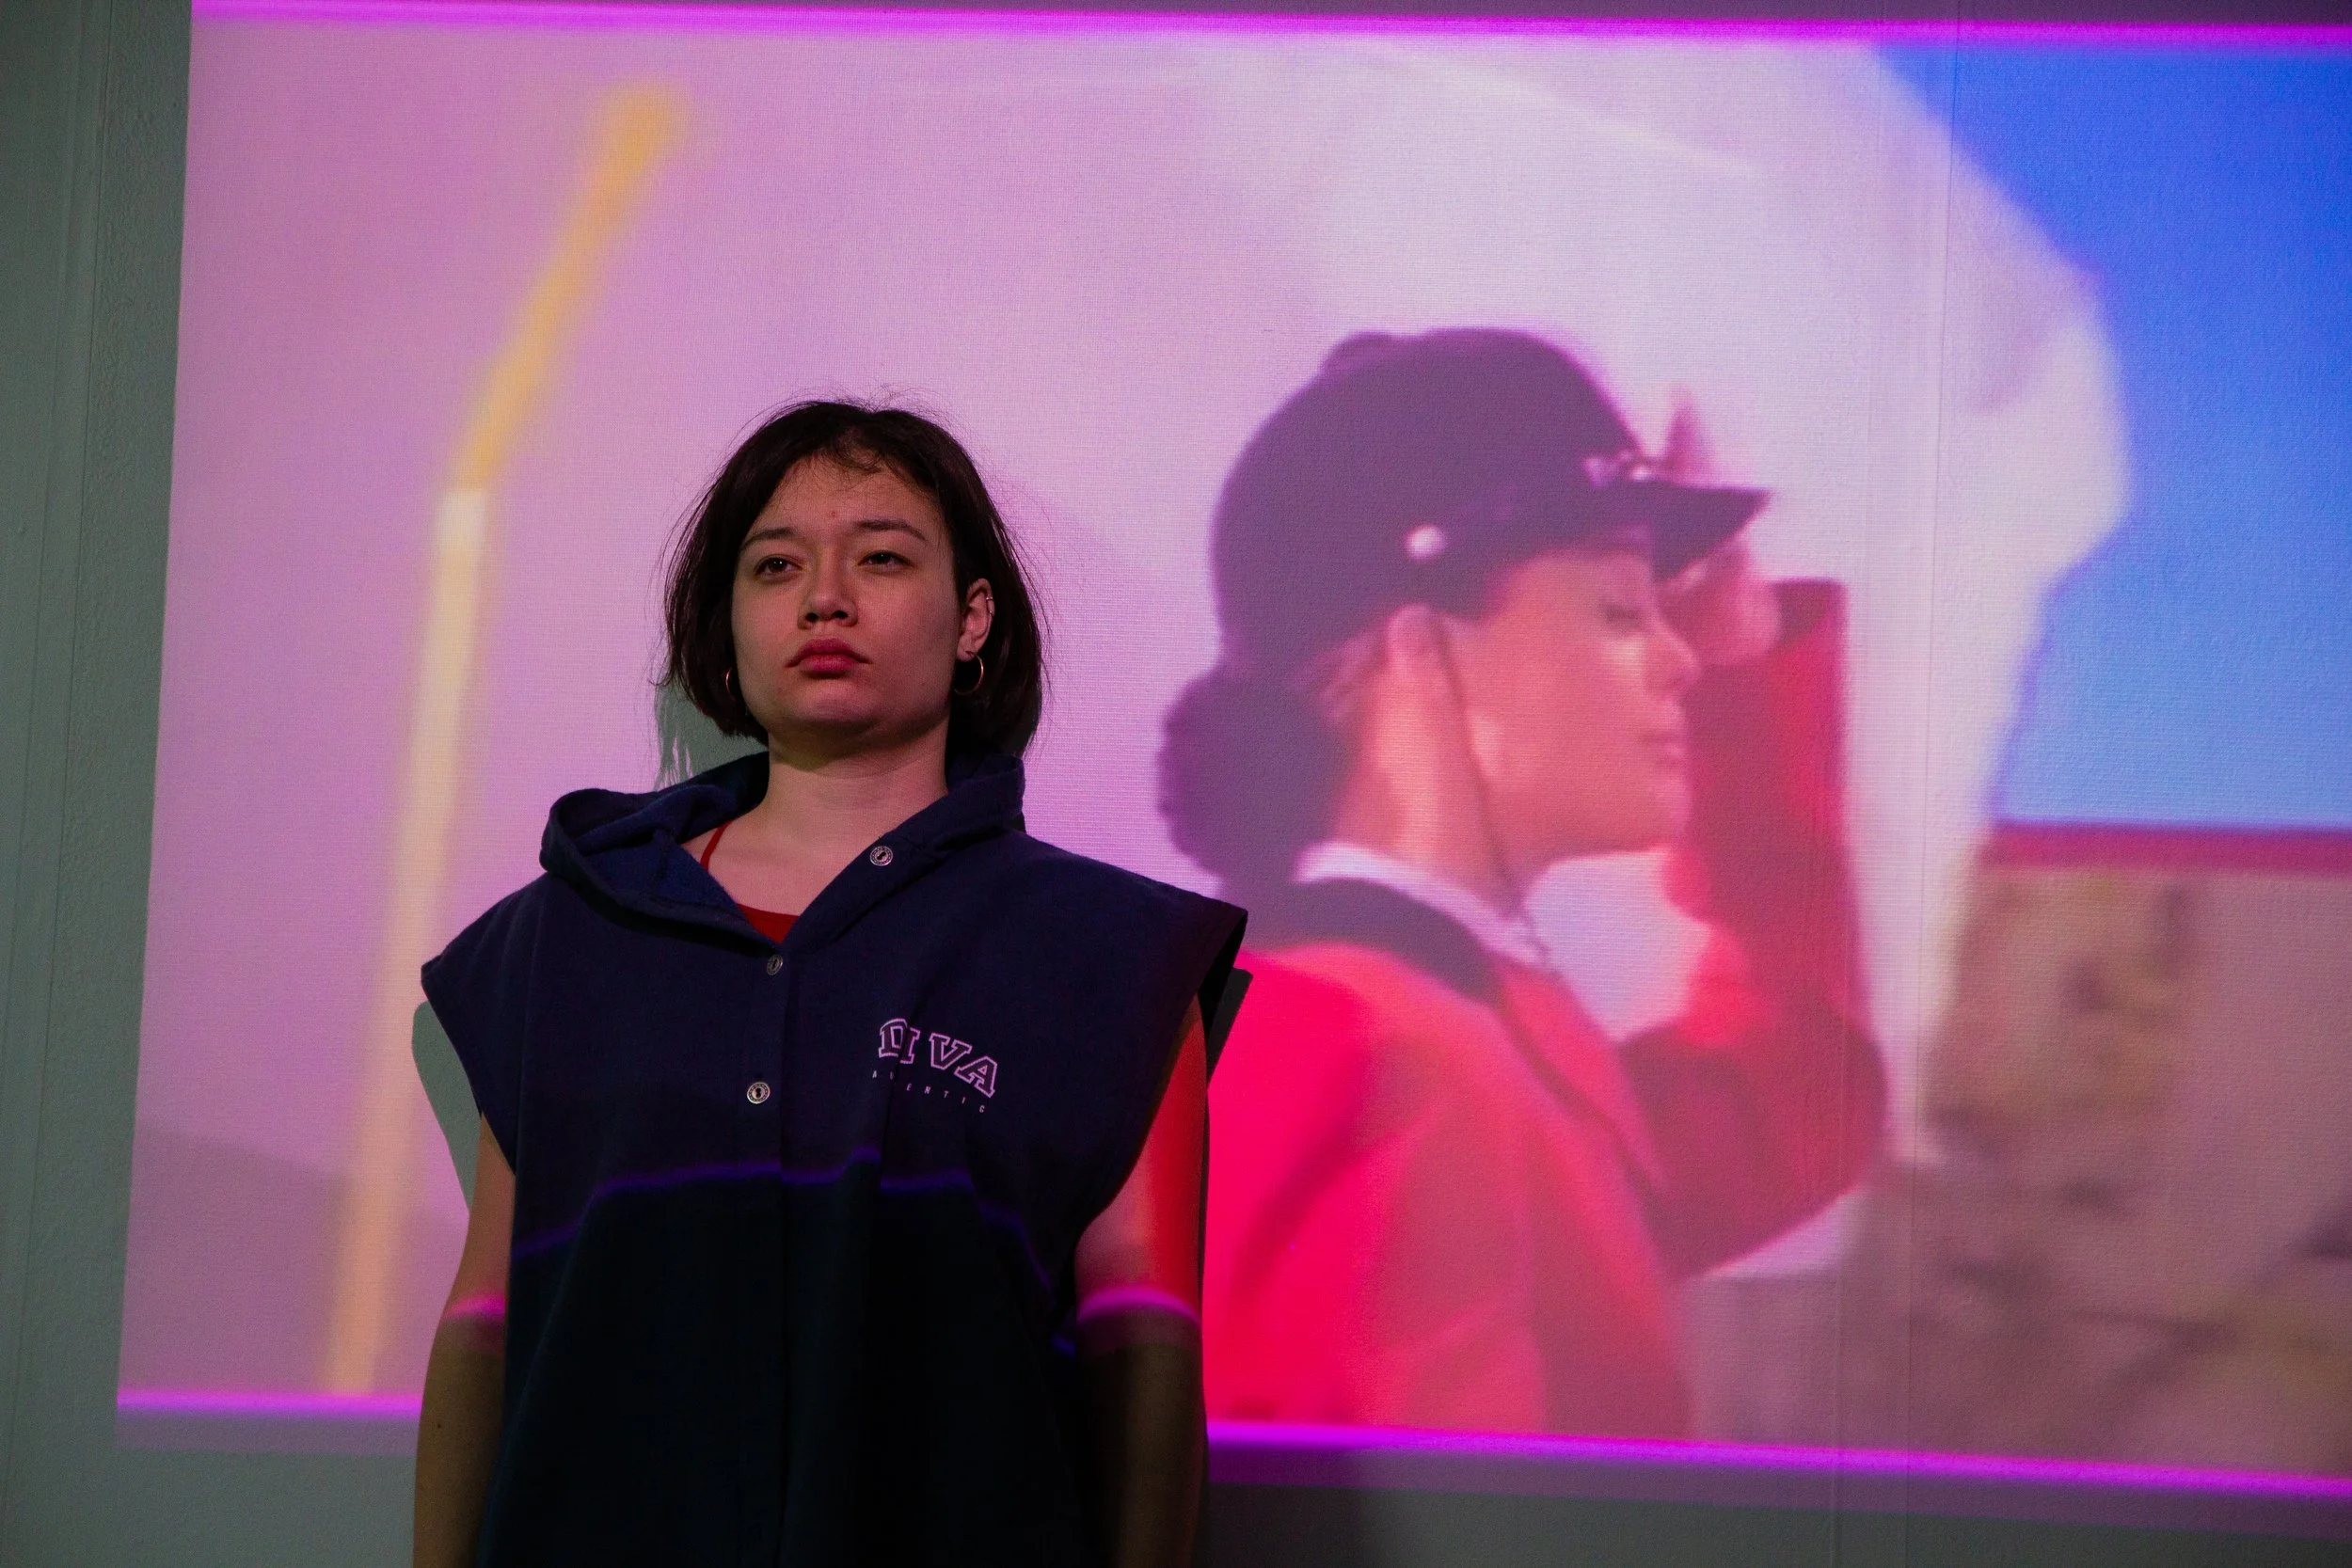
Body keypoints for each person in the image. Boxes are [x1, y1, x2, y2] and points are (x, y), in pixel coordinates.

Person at [413, 403, 1245, 1566]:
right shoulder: (557, 938)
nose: (825, 596)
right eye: (775, 564)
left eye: (884, 555)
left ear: (973, 620)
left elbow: (1143, 1337)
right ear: (725, 629)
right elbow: (486, 1320)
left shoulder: (1114, 954)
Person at [1161, 329, 1885, 1436]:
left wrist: (1742, 671)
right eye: (1617, 611)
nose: (1678, 655)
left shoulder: (1453, 1021)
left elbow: (1799, 1089)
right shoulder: (1357, 1056)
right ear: (1419, 651)